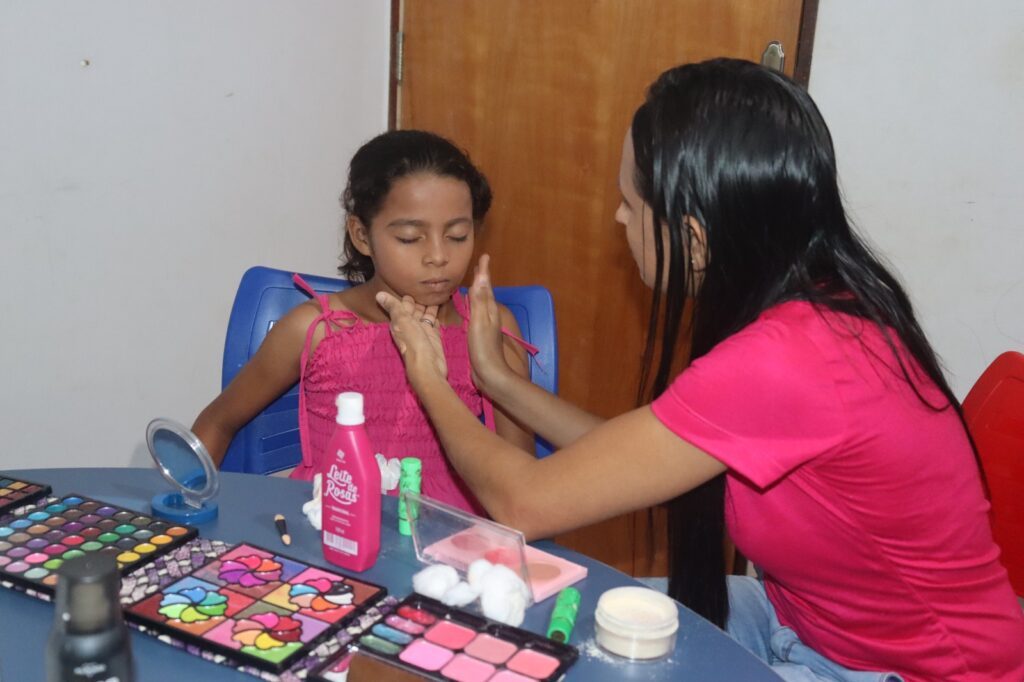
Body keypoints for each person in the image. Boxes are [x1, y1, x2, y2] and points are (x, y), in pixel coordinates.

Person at [376, 60, 1024, 681]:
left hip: (901, 671)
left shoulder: (790, 357)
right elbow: (630, 457)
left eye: (630, 203)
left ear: (692, 236)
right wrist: (497, 381)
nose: (618, 218)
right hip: (797, 621)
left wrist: (430, 374)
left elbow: (525, 502)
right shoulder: (817, 308)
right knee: (543, 622)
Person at [192, 129, 534, 515]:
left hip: (449, 534)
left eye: (457, 235)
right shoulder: (317, 330)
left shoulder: (489, 327)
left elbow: (524, 481)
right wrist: (187, 515)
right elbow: (218, 423)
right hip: (331, 526)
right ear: (362, 236)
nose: (438, 256)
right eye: (410, 238)